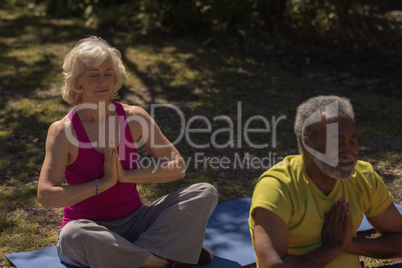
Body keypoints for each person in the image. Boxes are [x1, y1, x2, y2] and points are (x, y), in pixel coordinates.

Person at [37, 36, 218, 268]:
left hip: (136, 223)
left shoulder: (134, 118)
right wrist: (102, 183)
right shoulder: (63, 131)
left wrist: (125, 177)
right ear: (78, 80)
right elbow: (46, 196)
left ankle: (133, 256)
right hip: (88, 227)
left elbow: (177, 167)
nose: (103, 81)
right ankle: (162, 261)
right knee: (74, 236)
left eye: (108, 73)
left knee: (205, 192)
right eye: (93, 74)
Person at [249, 95, 402, 268]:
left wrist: (349, 244)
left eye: (353, 140)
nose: (348, 152)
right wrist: (331, 248)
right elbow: (273, 265)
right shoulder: (278, 187)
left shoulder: (363, 177)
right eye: (336, 141)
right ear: (307, 144)